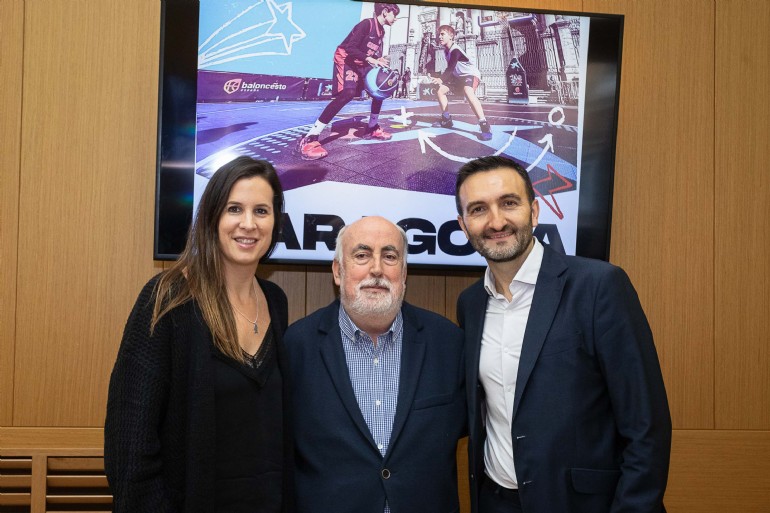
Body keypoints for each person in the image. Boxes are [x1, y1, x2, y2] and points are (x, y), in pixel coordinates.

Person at [454, 156, 672, 513]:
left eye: (509, 203)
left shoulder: (599, 286)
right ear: (464, 226)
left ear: (535, 211)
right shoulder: (471, 304)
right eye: (479, 209)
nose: (496, 221)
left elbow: (646, 425)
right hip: (496, 502)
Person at [105, 157, 294, 513]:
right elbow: (129, 446)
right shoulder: (169, 297)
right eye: (234, 208)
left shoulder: (275, 302)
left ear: (275, 222)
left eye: (262, 211)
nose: (248, 224)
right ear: (211, 217)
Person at [283, 216, 466, 513]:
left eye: (390, 256)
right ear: (338, 271)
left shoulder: (448, 343)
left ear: (404, 274)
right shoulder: (296, 346)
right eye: (362, 255)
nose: (377, 269)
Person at [297, 3, 401, 160]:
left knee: (379, 91)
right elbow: (351, 48)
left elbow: (370, 53)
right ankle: (310, 138)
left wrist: (378, 59)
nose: (396, 18)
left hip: (360, 62)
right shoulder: (366, 24)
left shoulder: (381, 32)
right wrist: (371, 59)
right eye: (395, 14)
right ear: (385, 12)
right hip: (346, 59)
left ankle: (371, 128)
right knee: (349, 93)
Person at [430, 25, 492, 141]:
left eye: (442, 34)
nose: (439, 37)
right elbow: (451, 69)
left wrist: (441, 79)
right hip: (457, 77)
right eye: (439, 34)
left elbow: (451, 67)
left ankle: (484, 125)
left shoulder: (455, 50)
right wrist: (440, 80)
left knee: (468, 92)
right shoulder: (446, 51)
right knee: (440, 91)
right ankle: (446, 119)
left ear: (451, 36)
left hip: (471, 75)